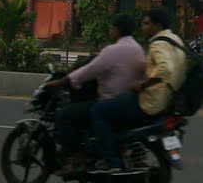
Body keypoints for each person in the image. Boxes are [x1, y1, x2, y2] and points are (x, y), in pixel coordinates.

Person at [43, 13, 145, 175]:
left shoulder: (113, 50)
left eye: (111, 27)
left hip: (110, 100)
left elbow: (89, 70)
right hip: (127, 101)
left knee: (65, 115)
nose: (110, 30)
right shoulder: (138, 49)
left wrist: (64, 81)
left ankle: (77, 158)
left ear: (117, 29)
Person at [89, 8, 186, 173]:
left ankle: (112, 162)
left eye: (146, 23)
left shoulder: (158, 43)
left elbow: (165, 69)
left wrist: (142, 85)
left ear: (157, 25)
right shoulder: (175, 40)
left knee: (98, 111)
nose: (143, 27)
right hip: (167, 100)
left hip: (150, 101)